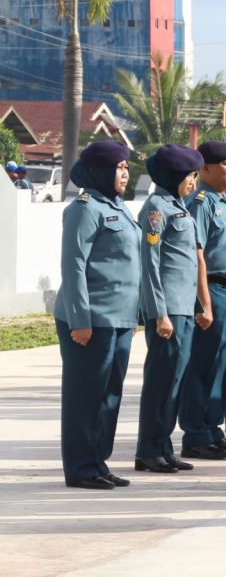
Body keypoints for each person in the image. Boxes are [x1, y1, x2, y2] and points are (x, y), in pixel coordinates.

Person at [54, 141, 141, 489]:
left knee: (109, 396)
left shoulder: (118, 207)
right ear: (102, 171)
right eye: (119, 167)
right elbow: (73, 265)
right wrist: (80, 320)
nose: (125, 173)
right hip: (91, 319)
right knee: (84, 396)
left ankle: (97, 462)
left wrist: (132, 317)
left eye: (126, 167)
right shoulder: (84, 209)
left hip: (119, 318)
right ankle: (80, 467)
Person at [135, 144, 204, 474]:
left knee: (175, 380)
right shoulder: (155, 209)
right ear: (174, 175)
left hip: (184, 307)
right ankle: (148, 450)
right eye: (189, 175)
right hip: (168, 310)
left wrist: (198, 305)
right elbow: (150, 264)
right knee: (160, 381)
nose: (193, 182)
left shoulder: (181, 207)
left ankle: (163, 446)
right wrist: (159, 312)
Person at [180, 141, 226, 460]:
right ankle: (195, 434)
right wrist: (205, 303)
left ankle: (212, 430)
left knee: (223, 366)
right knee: (203, 366)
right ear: (205, 169)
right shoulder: (201, 202)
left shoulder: (225, 201)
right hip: (214, 292)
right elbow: (197, 256)